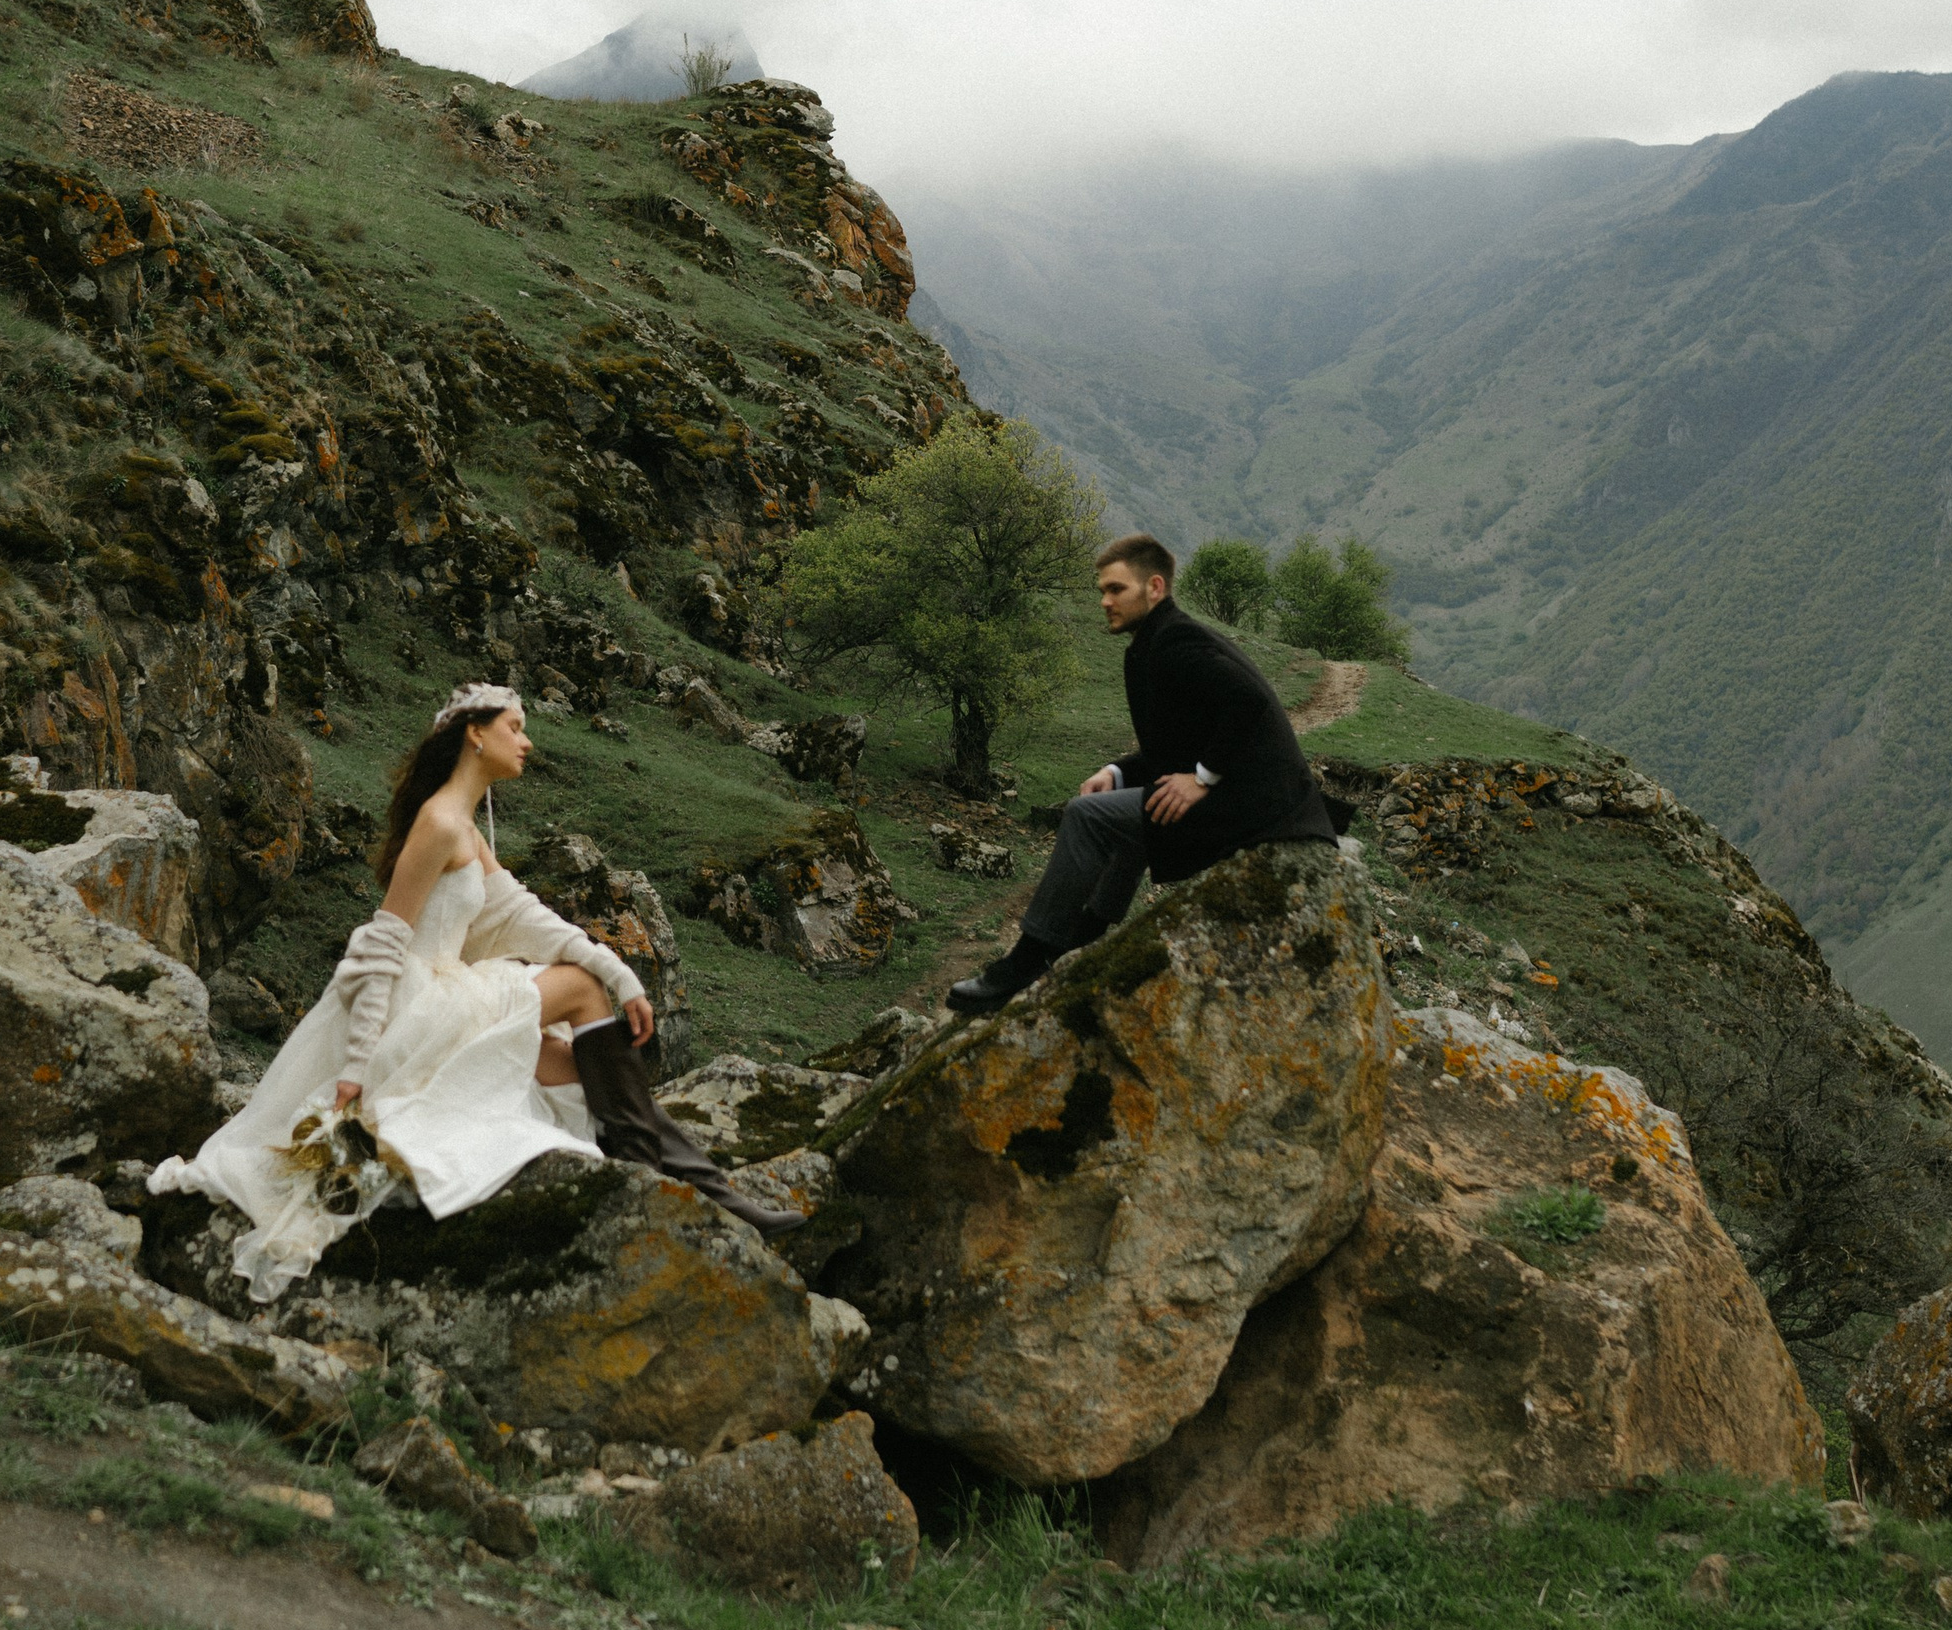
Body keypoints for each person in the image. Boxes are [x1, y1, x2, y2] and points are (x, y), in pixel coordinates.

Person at [150, 681, 797, 1297]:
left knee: (580, 1067)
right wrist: (354, 1067)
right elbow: (384, 943)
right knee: (578, 992)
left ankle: (705, 1188)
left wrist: (621, 973)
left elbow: (521, 915)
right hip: (418, 1006)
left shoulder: (466, 828)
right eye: (515, 727)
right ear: (474, 734)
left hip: (448, 1000)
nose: (528, 741)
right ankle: (673, 1180)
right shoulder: (438, 821)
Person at [947, 533, 1335, 1013]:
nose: (1105, 602)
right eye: (1102, 591)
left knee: (1086, 816)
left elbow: (1249, 702)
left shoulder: (1175, 640)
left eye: (1116, 590)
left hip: (1258, 809)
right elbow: (1173, 745)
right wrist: (1116, 771)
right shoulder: (1154, 642)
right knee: (1120, 810)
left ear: (1154, 587)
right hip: (1252, 798)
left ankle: (1024, 963)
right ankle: (1083, 940)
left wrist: (1202, 778)